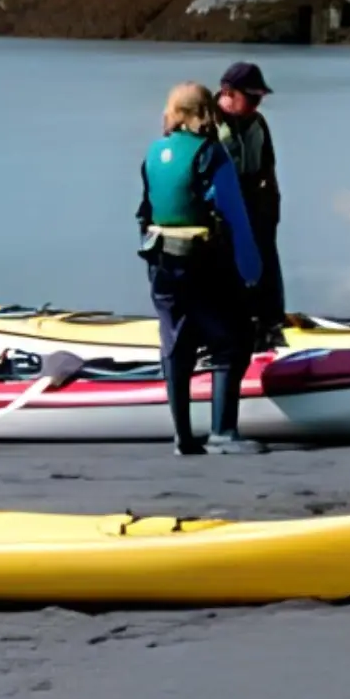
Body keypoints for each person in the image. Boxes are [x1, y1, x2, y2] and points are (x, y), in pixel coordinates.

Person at [138, 82, 267, 455]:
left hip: (161, 264)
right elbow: (234, 215)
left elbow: (146, 209)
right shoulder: (211, 154)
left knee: (176, 346)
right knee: (233, 341)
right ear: (204, 112)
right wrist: (252, 272)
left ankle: (182, 436)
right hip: (203, 265)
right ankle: (223, 431)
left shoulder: (153, 152)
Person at [214, 61, 285, 346]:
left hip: (256, 203)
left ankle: (271, 324)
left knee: (265, 262)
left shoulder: (258, 123)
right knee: (226, 272)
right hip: (220, 207)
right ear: (227, 92)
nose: (257, 103)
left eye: (260, 98)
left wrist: (272, 207)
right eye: (251, 97)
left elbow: (268, 166)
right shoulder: (206, 123)